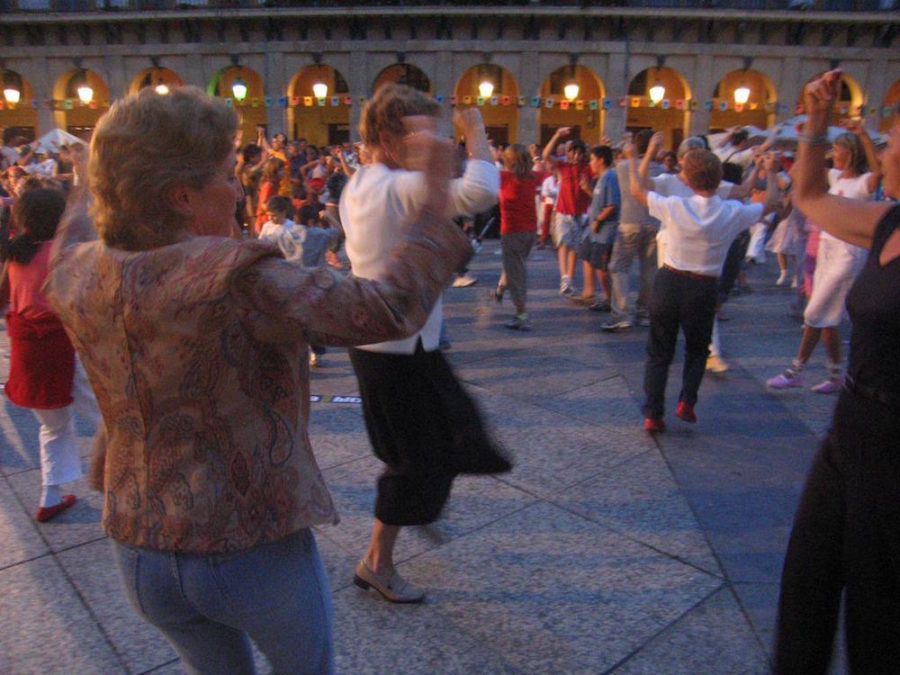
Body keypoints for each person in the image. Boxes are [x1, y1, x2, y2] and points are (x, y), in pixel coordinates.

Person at [43, 86, 476, 674]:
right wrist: (431, 198)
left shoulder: (76, 271)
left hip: (138, 548)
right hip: (246, 548)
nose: (238, 186)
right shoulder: (236, 277)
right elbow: (388, 308)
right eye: (227, 174)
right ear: (182, 196)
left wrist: (98, 162)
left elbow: (74, 224)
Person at [340, 84, 511, 604]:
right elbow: (481, 192)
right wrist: (477, 132)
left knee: (444, 439)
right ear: (391, 137)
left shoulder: (361, 182)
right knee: (421, 456)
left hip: (392, 344)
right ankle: (377, 562)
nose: (439, 141)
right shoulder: (398, 187)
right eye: (424, 131)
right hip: (400, 350)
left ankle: (412, 511)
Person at [774, 70, 900, 675]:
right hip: (851, 426)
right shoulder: (888, 224)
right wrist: (816, 126)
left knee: (877, 616)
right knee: (807, 581)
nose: (887, 149)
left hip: (896, 451)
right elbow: (810, 198)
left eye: (896, 142)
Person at [627, 143, 780, 432]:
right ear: (718, 177)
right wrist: (770, 173)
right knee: (698, 350)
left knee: (659, 350)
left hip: (670, 282)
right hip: (703, 288)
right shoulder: (732, 211)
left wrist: (636, 157)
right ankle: (687, 401)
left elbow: (637, 190)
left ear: (686, 178)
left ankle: (653, 414)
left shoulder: (675, 206)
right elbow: (771, 203)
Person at [2, 187, 99, 522]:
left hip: (28, 356)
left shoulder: (15, 255)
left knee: (53, 427)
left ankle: (50, 495)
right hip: (66, 351)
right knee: (110, 418)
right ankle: (127, 482)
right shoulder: (63, 256)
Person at [766, 123, 881, 394]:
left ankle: (794, 371)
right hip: (827, 250)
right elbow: (799, 173)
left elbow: (879, 171)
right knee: (827, 318)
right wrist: (807, 138)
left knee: (815, 311)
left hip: (848, 254)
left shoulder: (862, 183)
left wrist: (863, 135)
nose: (833, 153)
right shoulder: (836, 178)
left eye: (837, 149)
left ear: (849, 152)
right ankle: (835, 374)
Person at [542, 128, 592, 299]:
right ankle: (564, 278)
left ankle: (569, 279)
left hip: (579, 213)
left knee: (574, 248)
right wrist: (556, 135)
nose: (576, 156)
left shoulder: (587, 169)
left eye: (580, 153)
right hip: (563, 211)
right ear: (569, 153)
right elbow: (546, 155)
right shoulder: (563, 167)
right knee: (564, 243)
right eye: (574, 152)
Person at [495, 143, 539, 331]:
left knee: (517, 273)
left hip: (512, 231)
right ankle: (500, 288)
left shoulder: (503, 178)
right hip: (530, 232)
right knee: (515, 264)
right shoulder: (533, 177)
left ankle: (522, 315)